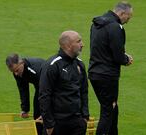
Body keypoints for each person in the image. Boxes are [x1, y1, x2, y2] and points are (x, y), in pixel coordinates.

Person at [88, 1, 133, 135]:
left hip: (94, 72)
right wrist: (126, 60)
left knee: (113, 107)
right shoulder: (116, 27)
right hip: (107, 75)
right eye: (128, 17)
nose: (128, 20)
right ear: (122, 13)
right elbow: (118, 56)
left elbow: (102, 48)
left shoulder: (96, 24)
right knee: (108, 109)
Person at [39, 30, 89, 135]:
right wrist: (49, 124)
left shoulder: (80, 64)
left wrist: (85, 116)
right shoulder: (52, 65)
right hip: (57, 124)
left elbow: (84, 91)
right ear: (68, 45)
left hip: (77, 122)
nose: (82, 44)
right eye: (78, 41)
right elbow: (44, 95)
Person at [6, 53, 45, 135]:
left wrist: (47, 111)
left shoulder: (35, 70)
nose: (16, 74)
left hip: (52, 86)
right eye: (13, 72)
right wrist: (25, 109)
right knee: (37, 115)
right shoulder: (17, 72)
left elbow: (47, 91)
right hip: (39, 86)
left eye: (16, 70)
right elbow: (23, 89)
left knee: (46, 114)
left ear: (21, 63)